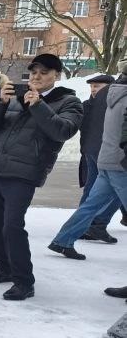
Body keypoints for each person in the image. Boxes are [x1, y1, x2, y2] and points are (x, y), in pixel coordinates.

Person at [0, 53, 82, 300]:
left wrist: (38, 105)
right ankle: (5, 267)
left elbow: (62, 131)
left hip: (24, 172)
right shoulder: (16, 97)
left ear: (57, 75)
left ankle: (24, 281)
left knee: (12, 226)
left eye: (44, 73)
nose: (37, 77)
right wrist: (0, 103)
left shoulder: (69, 102)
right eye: (34, 72)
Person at [47, 70, 127, 262]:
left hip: (107, 158)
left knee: (90, 206)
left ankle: (63, 240)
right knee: (92, 205)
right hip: (121, 163)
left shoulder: (110, 93)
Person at [76, 73, 121, 244]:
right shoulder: (90, 105)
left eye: (97, 86)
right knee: (112, 190)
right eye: (92, 86)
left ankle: (84, 226)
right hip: (98, 153)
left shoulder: (101, 104)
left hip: (98, 152)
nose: (94, 89)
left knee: (94, 190)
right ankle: (96, 225)